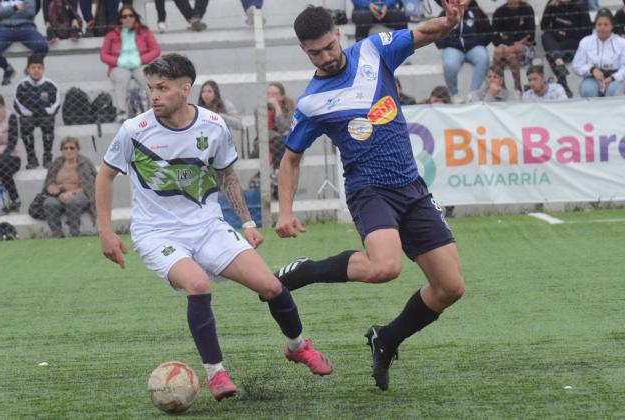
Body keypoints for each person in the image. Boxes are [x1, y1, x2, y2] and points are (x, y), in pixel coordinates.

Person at [96, 53, 333, 401]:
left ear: (184, 89)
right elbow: (104, 175)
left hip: (208, 227)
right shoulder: (135, 130)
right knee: (198, 283)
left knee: (271, 285)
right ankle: (216, 373)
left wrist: (248, 222)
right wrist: (106, 231)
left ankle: (297, 346)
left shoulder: (213, 125)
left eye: (162, 88)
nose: (154, 96)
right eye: (151, 89)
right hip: (157, 234)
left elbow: (225, 175)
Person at [276, 5, 466, 392]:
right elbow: (290, 159)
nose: (326, 57)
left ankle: (387, 338)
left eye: (329, 47)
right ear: (303, 50)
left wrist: (448, 23)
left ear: (338, 34)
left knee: (450, 288)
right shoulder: (312, 102)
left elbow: (420, 35)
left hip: (411, 187)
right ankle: (305, 271)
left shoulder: (373, 51)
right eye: (316, 53)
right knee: (385, 267)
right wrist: (284, 211)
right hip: (369, 190)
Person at [100, 5, 160, 122]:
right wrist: (118, 61)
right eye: (124, 16)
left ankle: (155, 109)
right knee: (122, 76)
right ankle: (122, 111)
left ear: (135, 17)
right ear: (120, 19)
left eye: (130, 16)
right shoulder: (112, 34)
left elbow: (156, 50)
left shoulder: (144, 31)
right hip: (119, 66)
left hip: (139, 63)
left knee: (147, 76)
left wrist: (140, 60)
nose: (128, 18)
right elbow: (103, 55)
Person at [434, 0, 491, 100]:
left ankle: (473, 94)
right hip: (453, 48)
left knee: (483, 57)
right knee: (449, 64)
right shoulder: (445, 13)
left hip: (473, 48)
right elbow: (437, 33)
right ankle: (454, 94)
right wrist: (447, 44)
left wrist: (478, 42)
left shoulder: (476, 12)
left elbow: (488, 31)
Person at [0, 0, 50, 86]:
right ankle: (7, 68)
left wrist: (4, 12)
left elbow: (30, 12)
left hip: (25, 26)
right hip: (3, 28)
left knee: (42, 46)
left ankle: (29, 69)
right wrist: (15, 8)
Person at [42, 136, 95, 237]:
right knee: (49, 203)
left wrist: (72, 193)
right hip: (59, 196)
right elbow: (49, 183)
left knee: (73, 202)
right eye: (65, 148)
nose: (68, 150)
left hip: (81, 195)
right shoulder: (57, 163)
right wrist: (58, 193)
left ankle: (75, 233)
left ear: (77, 149)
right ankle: (57, 233)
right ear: (62, 150)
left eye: (72, 148)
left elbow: (90, 185)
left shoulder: (84, 163)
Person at [15, 54, 60, 169]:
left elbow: (56, 103)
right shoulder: (22, 85)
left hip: (44, 115)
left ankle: (47, 158)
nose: (36, 70)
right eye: (33, 67)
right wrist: (29, 113)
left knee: (48, 122)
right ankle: (32, 158)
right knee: (25, 124)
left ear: (43, 69)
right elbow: (17, 103)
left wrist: (47, 111)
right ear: (28, 69)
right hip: (29, 116)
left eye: (39, 67)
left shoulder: (50, 85)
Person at [540, 0, 592, 98]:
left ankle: (563, 82)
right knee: (545, 37)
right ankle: (558, 60)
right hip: (556, 40)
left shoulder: (579, 5)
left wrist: (567, 33)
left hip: (573, 42)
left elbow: (587, 32)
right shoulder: (552, 4)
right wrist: (558, 32)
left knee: (550, 54)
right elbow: (544, 25)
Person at [572, 8, 625, 97]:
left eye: (606, 24)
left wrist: (613, 77)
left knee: (614, 91)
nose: (602, 27)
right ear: (595, 25)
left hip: (615, 78)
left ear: (612, 26)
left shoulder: (621, 43)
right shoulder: (586, 41)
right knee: (587, 90)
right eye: (599, 24)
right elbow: (577, 65)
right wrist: (592, 70)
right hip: (592, 77)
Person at [491, 0, 535, 94]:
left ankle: (517, 87)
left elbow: (531, 35)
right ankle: (502, 89)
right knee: (499, 52)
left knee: (510, 53)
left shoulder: (527, 9)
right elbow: (495, 38)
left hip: (524, 47)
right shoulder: (499, 12)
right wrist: (512, 43)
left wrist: (507, 39)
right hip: (506, 48)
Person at [267, 81, 294, 170]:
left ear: (281, 97)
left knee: (283, 141)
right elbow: (263, 132)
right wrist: (280, 135)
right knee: (281, 140)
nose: (270, 97)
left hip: (284, 142)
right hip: (266, 141)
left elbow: (284, 127)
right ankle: (278, 171)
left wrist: (277, 108)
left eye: (274, 94)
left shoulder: (289, 108)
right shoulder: (260, 109)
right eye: (268, 94)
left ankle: (278, 172)